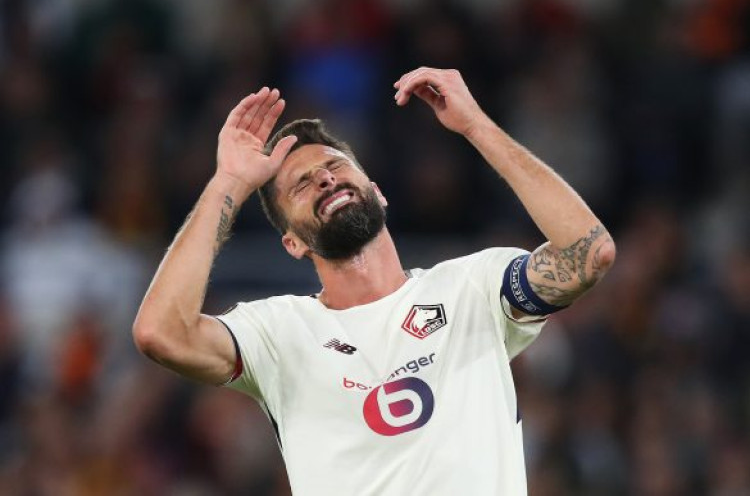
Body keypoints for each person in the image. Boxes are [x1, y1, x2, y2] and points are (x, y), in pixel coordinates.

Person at [133, 67, 616, 495]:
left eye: (335, 166)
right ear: (293, 244)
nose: (325, 179)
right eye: (302, 184)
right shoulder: (277, 333)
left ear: (378, 193)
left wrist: (476, 126)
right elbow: (161, 333)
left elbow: (589, 253)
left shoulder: (473, 287)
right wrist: (229, 183)